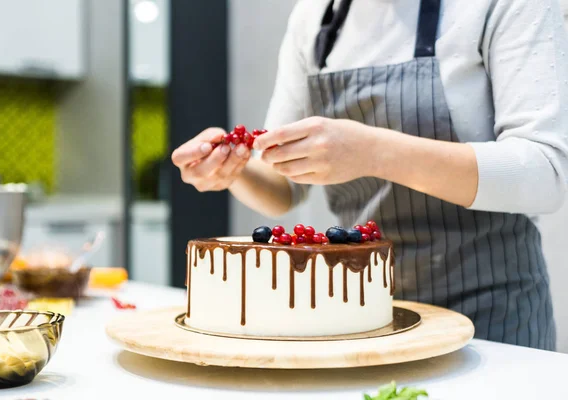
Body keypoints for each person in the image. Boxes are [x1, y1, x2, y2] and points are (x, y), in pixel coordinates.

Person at [171, 0, 568, 351]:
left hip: (493, 316)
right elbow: (286, 188)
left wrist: (374, 152)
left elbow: (544, 172)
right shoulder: (315, 18)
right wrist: (233, 172)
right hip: (364, 318)